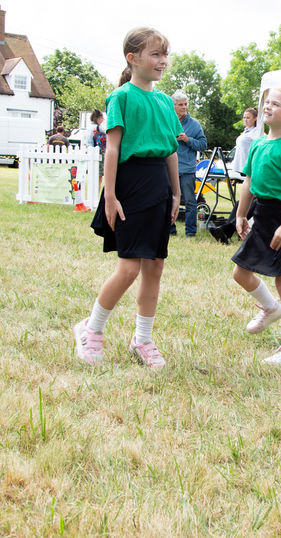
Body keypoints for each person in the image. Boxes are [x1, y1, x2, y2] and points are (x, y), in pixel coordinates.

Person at [74, 28, 182, 370]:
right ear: (132, 59)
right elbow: (114, 148)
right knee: (129, 267)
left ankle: (143, 339)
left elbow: (170, 151)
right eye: (155, 54)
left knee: (155, 267)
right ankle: (91, 330)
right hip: (130, 184)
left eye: (165, 54)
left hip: (159, 187)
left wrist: (177, 191)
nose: (162, 61)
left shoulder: (165, 102)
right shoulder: (120, 97)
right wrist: (109, 195)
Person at [231, 84, 281, 367]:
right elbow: (249, 182)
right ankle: (269, 307)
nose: (267, 106)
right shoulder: (257, 144)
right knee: (240, 273)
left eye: (276, 104)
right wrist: (241, 215)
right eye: (267, 102)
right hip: (262, 216)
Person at [206, 107, 259, 245]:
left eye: (248, 117)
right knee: (240, 203)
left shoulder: (258, 134)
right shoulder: (247, 132)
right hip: (247, 172)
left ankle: (227, 229)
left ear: (255, 118)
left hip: (258, 173)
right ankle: (226, 230)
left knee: (253, 204)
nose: (245, 120)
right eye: (244, 117)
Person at [170, 91, 208, 237]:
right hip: (169, 168)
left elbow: (203, 145)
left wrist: (188, 140)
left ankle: (190, 232)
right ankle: (170, 230)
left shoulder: (194, 124)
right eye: (181, 105)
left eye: (186, 104)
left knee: (191, 202)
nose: (184, 107)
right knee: (168, 200)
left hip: (187, 169)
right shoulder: (168, 121)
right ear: (173, 106)